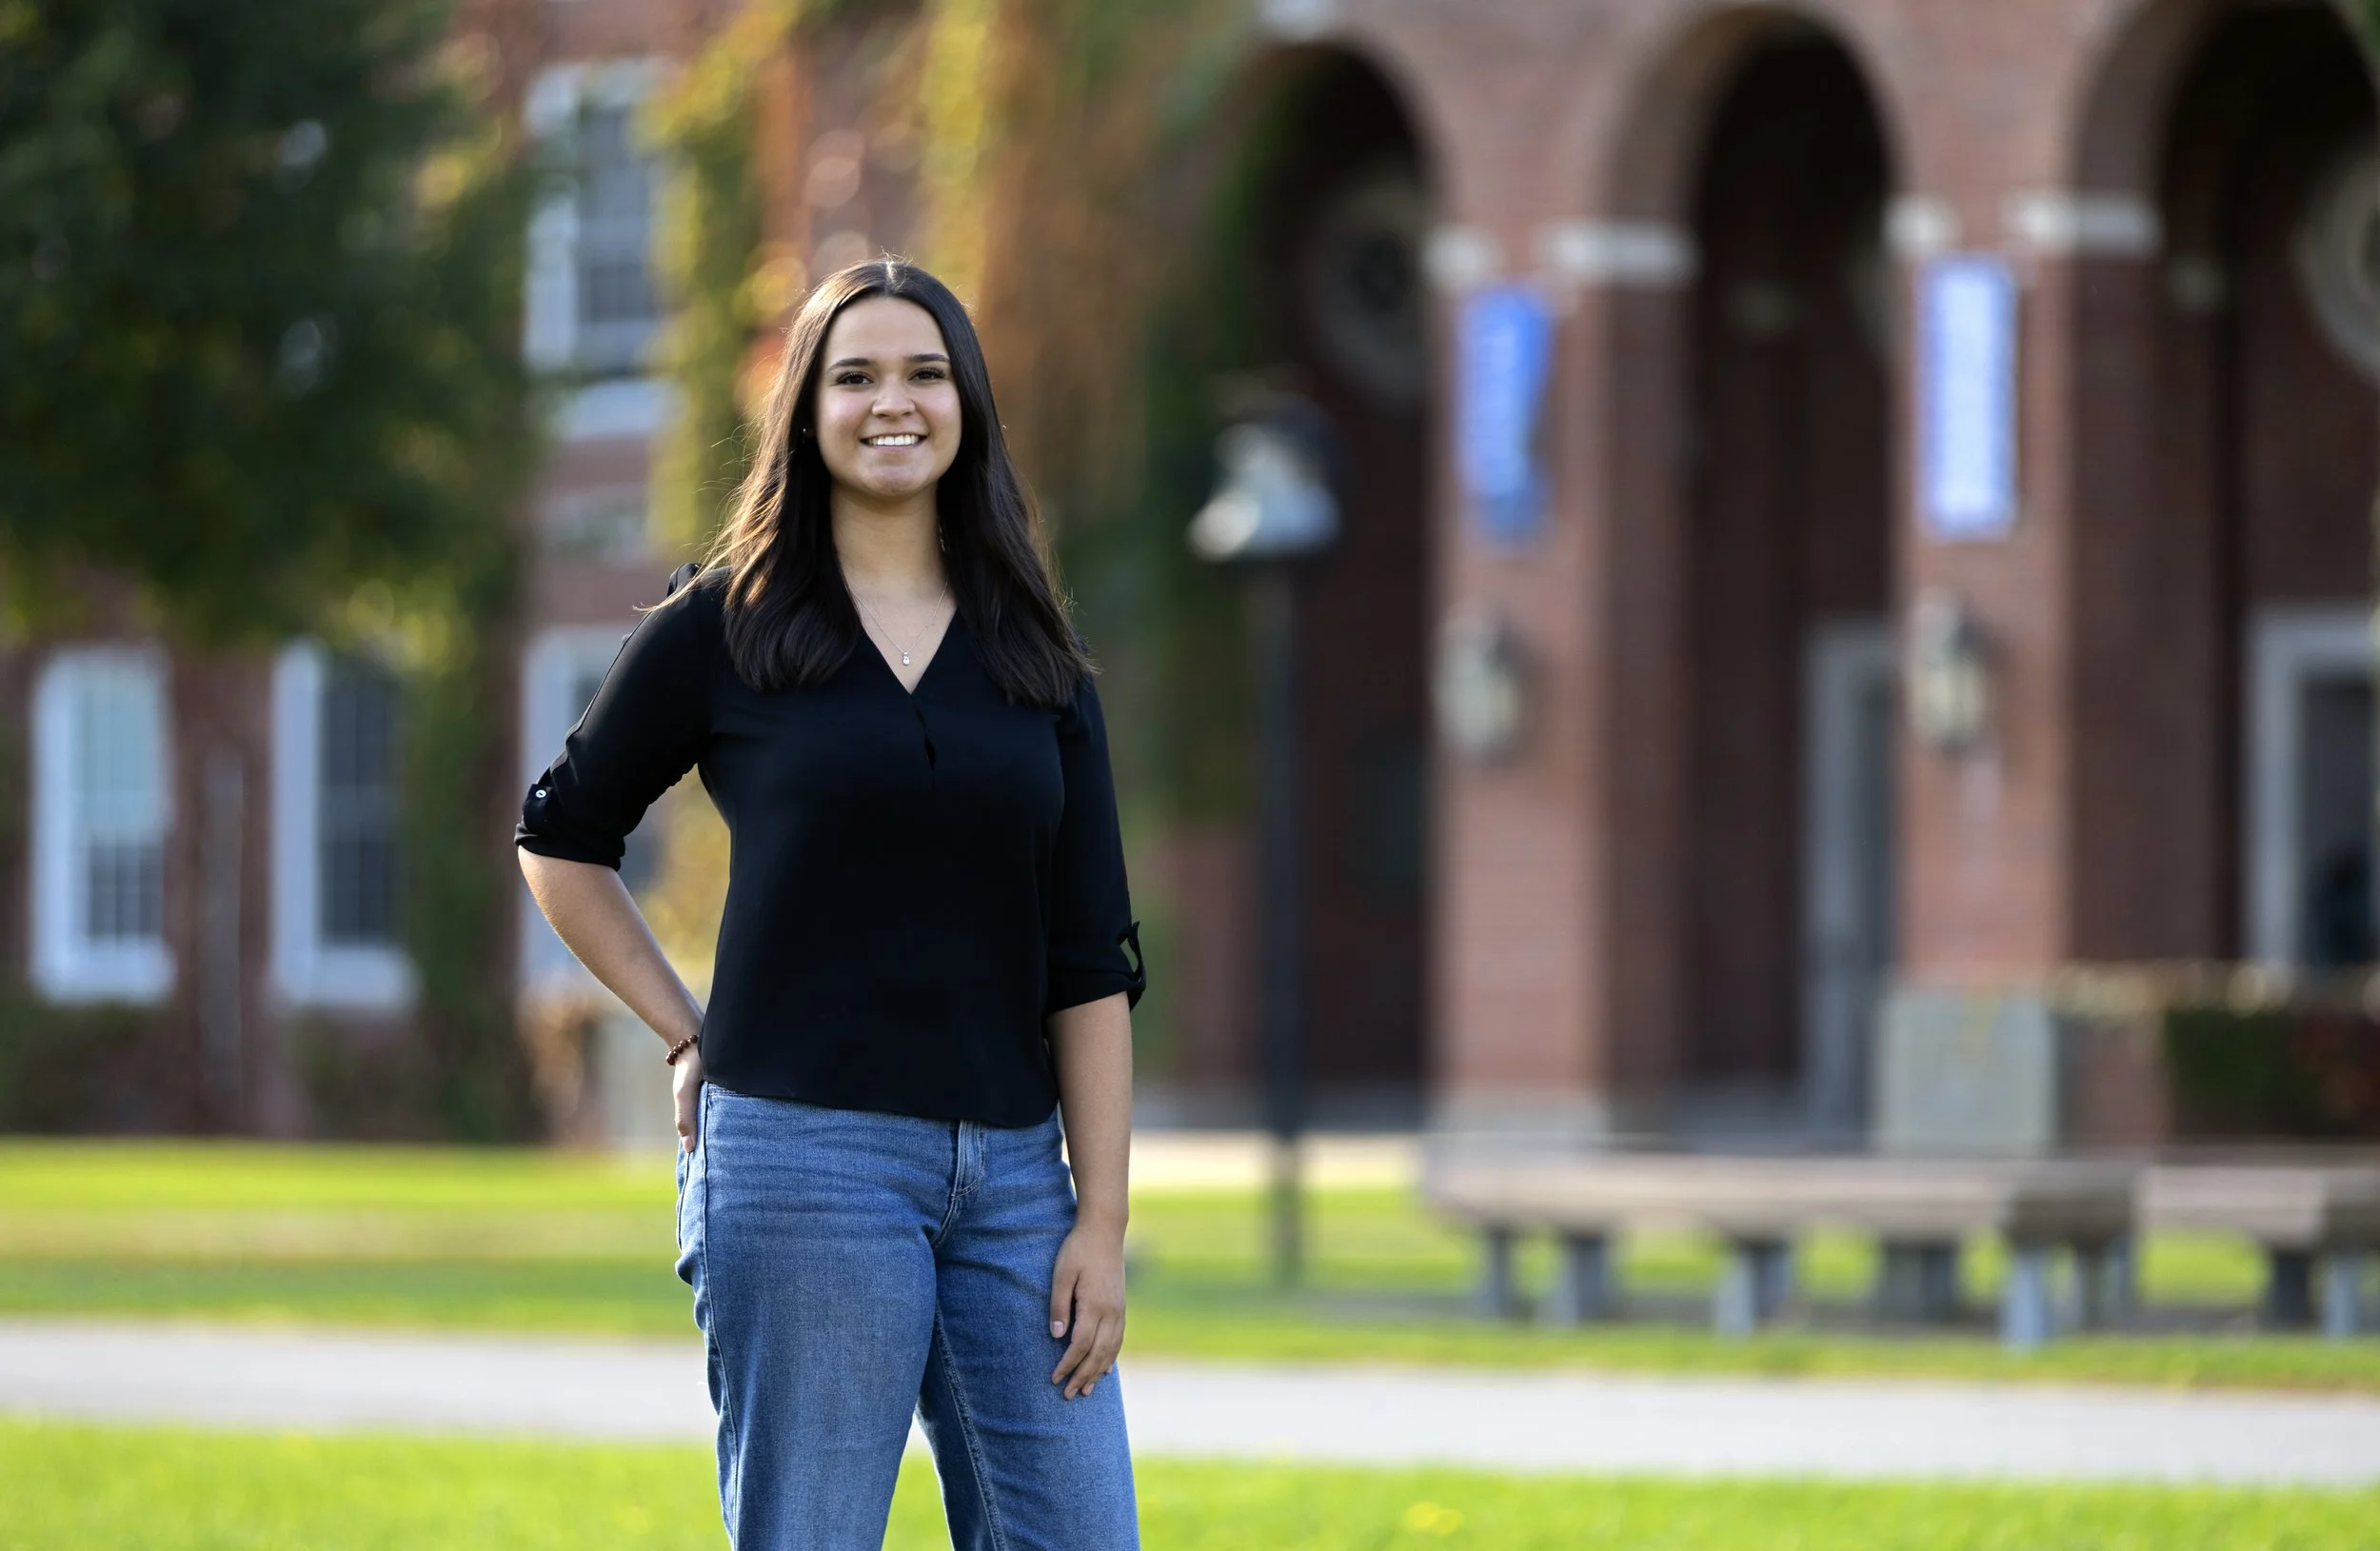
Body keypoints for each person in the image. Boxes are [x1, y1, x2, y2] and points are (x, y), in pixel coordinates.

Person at [516, 258, 1144, 1550]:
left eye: (924, 373)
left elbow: (1089, 963)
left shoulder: (1038, 659)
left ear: (967, 404)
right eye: (854, 376)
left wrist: (1103, 1219)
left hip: (1018, 1181)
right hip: (804, 1161)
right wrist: (686, 1030)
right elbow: (560, 837)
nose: (891, 402)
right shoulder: (726, 625)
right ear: (805, 411)